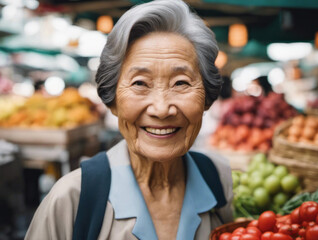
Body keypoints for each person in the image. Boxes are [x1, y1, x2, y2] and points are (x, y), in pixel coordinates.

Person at [25, 0, 233, 239]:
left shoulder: (222, 181)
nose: (162, 109)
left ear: (207, 97)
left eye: (181, 83)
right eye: (140, 84)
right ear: (112, 99)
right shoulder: (72, 198)